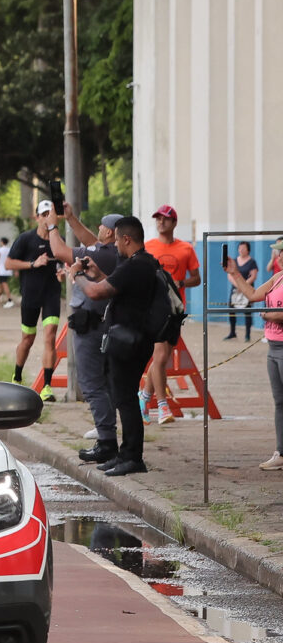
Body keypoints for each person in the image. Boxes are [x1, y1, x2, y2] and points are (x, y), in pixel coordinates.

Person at [78, 216, 161, 476]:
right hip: (136, 339)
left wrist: (78, 275)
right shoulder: (145, 263)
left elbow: (95, 292)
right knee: (122, 397)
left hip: (129, 341)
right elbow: (115, 286)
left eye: (116, 240)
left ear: (127, 238)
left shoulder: (134, 265)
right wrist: (97, 274)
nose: (114, 245)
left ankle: (133, 457)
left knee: (125, 400)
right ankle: (125, 454)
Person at [47, 205, 123, 464]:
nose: (98, 229)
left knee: (91, 384)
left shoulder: (102, 255)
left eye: (102, 226)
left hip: (90, 325)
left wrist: (51, 225)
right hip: (105, 324)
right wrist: (70, 217)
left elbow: (59, 251)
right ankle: (107, 432)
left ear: (111, 233)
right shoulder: (114, 253)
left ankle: (106, 440)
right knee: (106, 382)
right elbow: (91, 241)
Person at [224, 239, 283, 470]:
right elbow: (253, 294)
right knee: (279, 402)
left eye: (280, 253)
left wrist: (269, 316)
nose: (277, 257)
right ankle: (280, 452)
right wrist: (235, 273)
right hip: (273, 347)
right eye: (277, 253)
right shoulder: (278, 277)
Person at [142, 204, 201, 425]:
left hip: (175, 310)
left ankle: (145, 396)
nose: (161, 222)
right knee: (160, 356)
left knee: (162, 359)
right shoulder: (148, 248)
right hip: (154, 309)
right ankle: (162, 405)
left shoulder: (185, 249)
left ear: (174, 223)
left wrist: (182, 282)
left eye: (165, 219)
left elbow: (197, 278)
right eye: (158, 218)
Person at [4, 200, 63, 400]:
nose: (47, 218)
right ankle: (17, 377)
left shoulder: (58, 240)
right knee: (28, 339)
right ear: (36, 217)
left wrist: (63, 272)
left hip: (51, 295)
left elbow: (64, 262)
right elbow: (8, 263)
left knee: (50, 336)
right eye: (43, 214)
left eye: (50, 214)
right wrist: (33, 263)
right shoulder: (25, 239)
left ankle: (47, 386)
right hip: (31, 295)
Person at [227, 242, 258, 341]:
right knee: (231, 310)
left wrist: (244, 285)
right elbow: (230, 275)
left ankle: (247, 334)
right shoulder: (234, 261)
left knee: (247, 311)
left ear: (248, 250)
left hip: (247, 289)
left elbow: (253, 275)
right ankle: (232, 332)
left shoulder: (252, 262)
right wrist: (238, 285)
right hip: (235, 290)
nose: (241, 250)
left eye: (243, 248)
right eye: (239, 248)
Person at [0, 236, 14, 308]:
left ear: (2, 242)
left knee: (4, 284)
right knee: (1, 286)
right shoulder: (9, 249)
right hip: (8, 269)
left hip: (1, 270)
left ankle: (10, 300)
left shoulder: (0, 250)